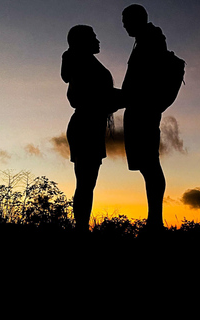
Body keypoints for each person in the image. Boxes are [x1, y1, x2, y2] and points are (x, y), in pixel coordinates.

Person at [61, 25, 121, 232]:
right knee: (86, 184)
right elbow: (99, 97)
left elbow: (104, 97)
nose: (98, 40)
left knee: (87, 183)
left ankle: (81, 228)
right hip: (85, 126)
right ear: (83, 41)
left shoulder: (85, 62)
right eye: (93, 37)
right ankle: (81, 230)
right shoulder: (81, 62)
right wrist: (129, 96)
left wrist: (125, 96)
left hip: (90, 126)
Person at [121, 4, 168, 231]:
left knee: (150, 165)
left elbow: (146, 78)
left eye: (125, 20)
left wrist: (126, 97)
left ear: (137, 19)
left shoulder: (151, 38)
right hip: (140, 110)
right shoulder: (145, 39)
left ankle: (155, 222)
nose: (123, 25)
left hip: (144, 111)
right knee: (147, 166)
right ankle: (154, 221)